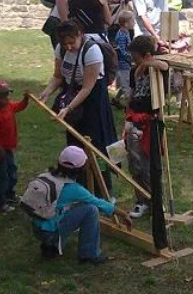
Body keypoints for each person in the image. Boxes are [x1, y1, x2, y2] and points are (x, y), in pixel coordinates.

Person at [38, 20, 119, 193]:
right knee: (75, 144)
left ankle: (103, 190)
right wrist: (47, 92)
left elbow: (87, 87)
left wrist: (68, 108)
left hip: (94, 101)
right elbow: (58, 76)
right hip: (73, 96)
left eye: (71, 42)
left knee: (96, 146)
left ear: (80, 35)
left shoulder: (92, 51)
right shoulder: (61, 49)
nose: (68, 47)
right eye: (64, 43)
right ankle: (80, 185)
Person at [31, 146, 132, 264]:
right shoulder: (74, 189)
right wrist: (124, 214)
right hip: (50, 232)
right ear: (80, 169)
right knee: (91, 210)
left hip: (37, 227)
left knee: (71, 207)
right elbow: (99, 203)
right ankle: (89, 255)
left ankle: (49, 246)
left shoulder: (46, 176)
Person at [123, 35, 168, 219]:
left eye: (136, 57)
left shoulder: (157, 70)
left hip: (151, 123)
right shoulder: (135, 71)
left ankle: (156, 201)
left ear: (148, 55)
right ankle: (141, 201)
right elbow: (132, 98)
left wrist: (146, 64)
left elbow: (164, 66)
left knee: (151, 166)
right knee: (136, 166)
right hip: (134, 121)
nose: (134, 61)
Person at [0, 80, 28, 213]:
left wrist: (25, 99)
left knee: (11, 171)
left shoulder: (8, 106)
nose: (7, 98)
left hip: (8, 149)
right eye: (4, 96)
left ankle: (9, 194)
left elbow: (19, 107)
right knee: (0, 175)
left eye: (7, 95)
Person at [112, 11, 135, 107]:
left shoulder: (126, 33)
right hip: (123, 63)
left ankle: (116, 99)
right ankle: (130, 107)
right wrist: (130, 58)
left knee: (125, 82)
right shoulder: (122, 35)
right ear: (126, 24)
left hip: (126, 62)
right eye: (132, 21)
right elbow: (121, 50)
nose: (134, 23)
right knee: (126, 85)